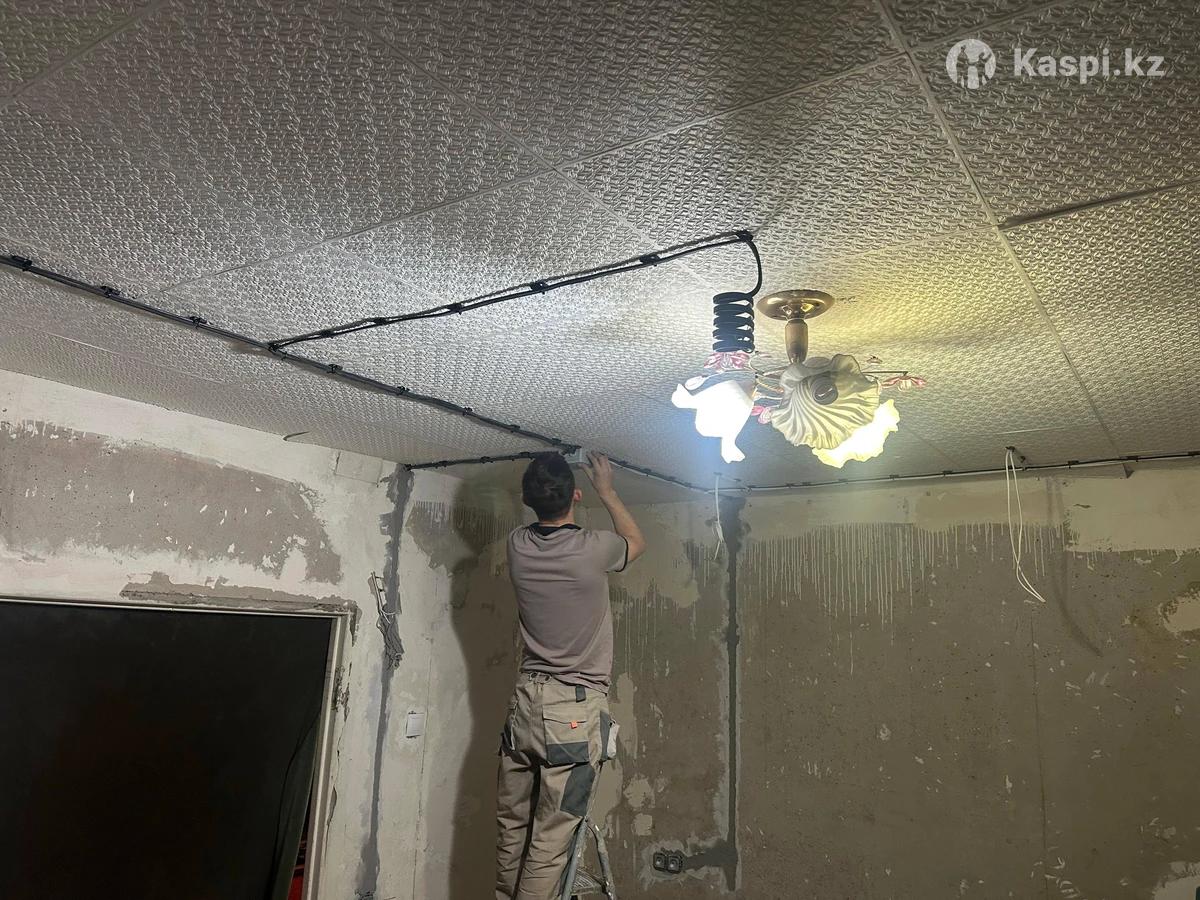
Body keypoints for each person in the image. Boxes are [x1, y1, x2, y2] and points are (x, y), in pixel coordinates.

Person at [495, 451, 645, 900]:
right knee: (550, 841)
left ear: (528, 501)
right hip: (572, 714)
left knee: (512, 829)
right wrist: (607, 490)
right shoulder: (593, 548)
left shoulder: (517, 545)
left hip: (524, 705)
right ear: (575, 496)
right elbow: (635, 543)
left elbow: (540, 517)